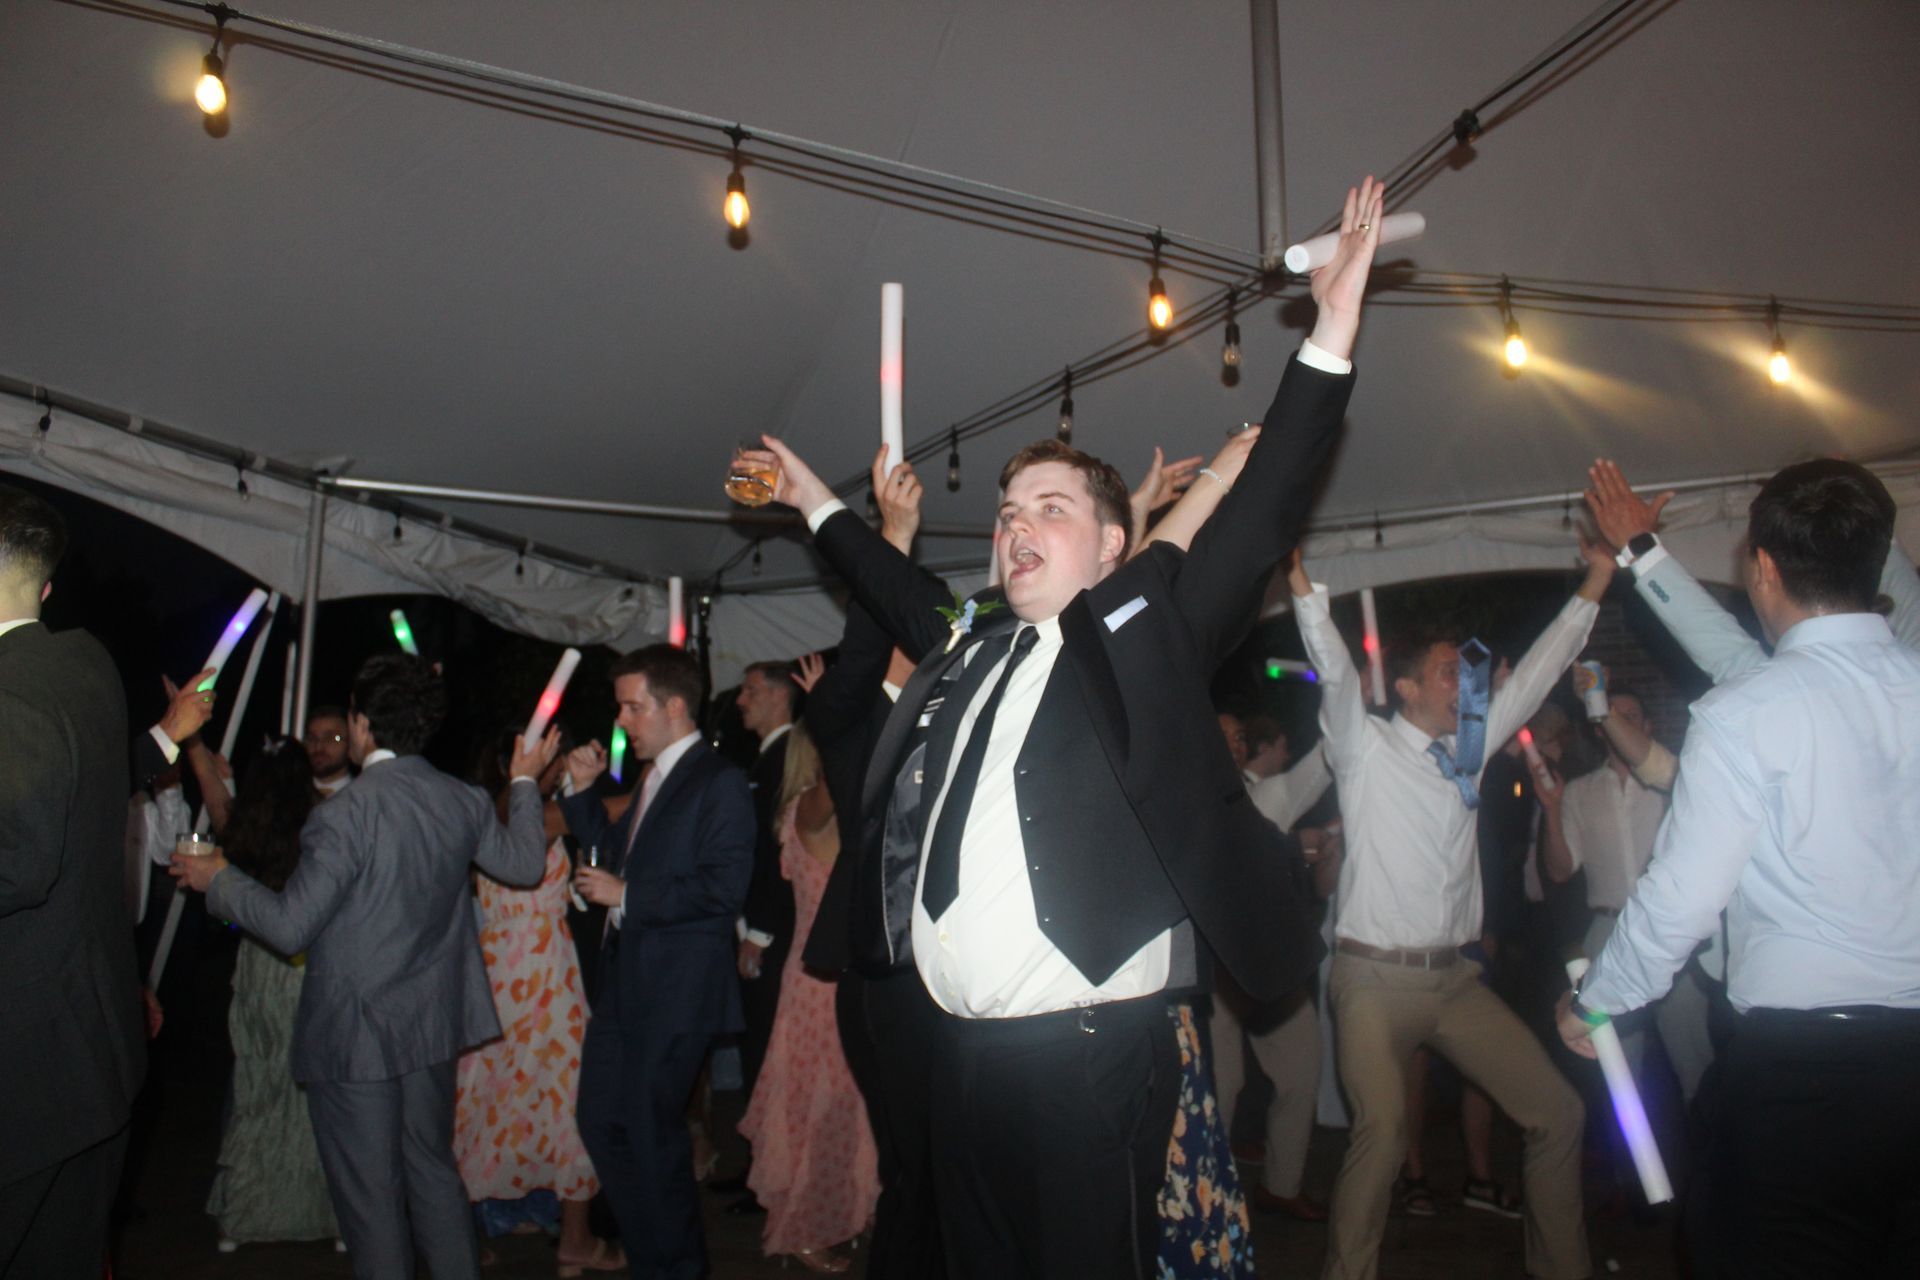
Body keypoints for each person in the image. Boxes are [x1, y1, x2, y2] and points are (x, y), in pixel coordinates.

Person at [742, 175, 1380, 1280]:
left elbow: (1268, 500)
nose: (1015, 526)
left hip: (1087, 1058)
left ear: (1113, 546)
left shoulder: (1147, 637)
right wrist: (813, 502)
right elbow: (893, 590)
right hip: (958, 1057)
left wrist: (1332, 323)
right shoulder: (971, 641)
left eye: (1051, 507)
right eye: (1005, 511)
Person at [1560, 459, 1920, 1277]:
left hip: (1807, 1080)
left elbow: (1681, 899)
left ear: (1761, 569)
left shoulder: (1747, 710)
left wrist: (1598, 1002)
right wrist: (1643, 551)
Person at [172, 654, 558, 1280]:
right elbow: (522, 865)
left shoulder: (344, 815)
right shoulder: (459, 799)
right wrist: (522, 782)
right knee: (433, 1174)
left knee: (371, 1202)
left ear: (363, 724)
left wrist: (220, 880)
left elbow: (289, 927)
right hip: (429, 1025)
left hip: (355, 1035)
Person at [1290, 533, 1612, 1280]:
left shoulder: (1468, 748)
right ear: (1405, 688)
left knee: (1558, 1113)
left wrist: (1596, 576)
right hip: (1371, 980)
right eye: (1447, 671)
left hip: (1455, 982)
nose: (1462, 682)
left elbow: (1533, 676)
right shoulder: (1363, 747)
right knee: (1383, 1127)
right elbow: (1336, 675)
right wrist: (1301, 579)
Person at [565, 644, 755, 1280]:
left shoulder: (718, 780)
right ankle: (656, 1258)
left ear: (675, 706)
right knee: (600, 1120)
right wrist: (583, 793)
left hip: (678, 987)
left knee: (651, 1134)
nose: (622, 721)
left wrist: (630, 896)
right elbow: (612, 854)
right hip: (626, 982)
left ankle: (675, 1268)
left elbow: (725, 886)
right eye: (621, 707)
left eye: (632, 707)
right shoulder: (653, 777)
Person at [0, 483, 147, 1279]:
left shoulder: (10, 691)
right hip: (89, 1053)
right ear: (46, 588)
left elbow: (15, 858)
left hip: (26, 1075)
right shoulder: (84, 664)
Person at [453, 731, 619, 1275]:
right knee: (567, 1094)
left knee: (486, 1096)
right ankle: (573, 1238)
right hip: (539, 970)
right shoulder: (531, 813)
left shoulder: (487, 809)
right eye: (548, 762)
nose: (553, 772)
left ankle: (466, 1238)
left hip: (508, 967)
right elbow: (620, 809)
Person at [738, 722, 880, 1272]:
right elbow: (853, 775)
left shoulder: (810, 807)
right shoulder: (813, 808)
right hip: (822, 982)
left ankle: (841, 1213)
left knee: (838, 1104)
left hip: (821, 974)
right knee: (824, 1108)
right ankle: (804, 1226)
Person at [194, 735, 339, 1251]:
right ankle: (334, 1217)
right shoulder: (326, 822)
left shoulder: (244, 824)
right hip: (307, 965)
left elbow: (217, 803)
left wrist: (196, 751)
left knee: (255, 1085)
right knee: (316, 1094)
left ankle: (242, 1217)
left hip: (260, 965)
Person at [1207, 712, 1333, 1223]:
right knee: (1224, 1083)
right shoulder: (1178, 798)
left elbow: (1319, 767)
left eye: (1240, 736)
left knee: (1302, 1066)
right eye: (1224, 736)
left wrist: (1355, 700)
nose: (1236, 744)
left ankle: (1281, 1187)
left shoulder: (1262, 798)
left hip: (1266, 961)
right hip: (1212, 969)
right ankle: (1208, 1198)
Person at [303, 705, 354, 797]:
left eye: (330, 738)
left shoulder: (361, 799)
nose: (318, 747)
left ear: (350, 743)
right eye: (311, 738)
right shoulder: (292, 794)